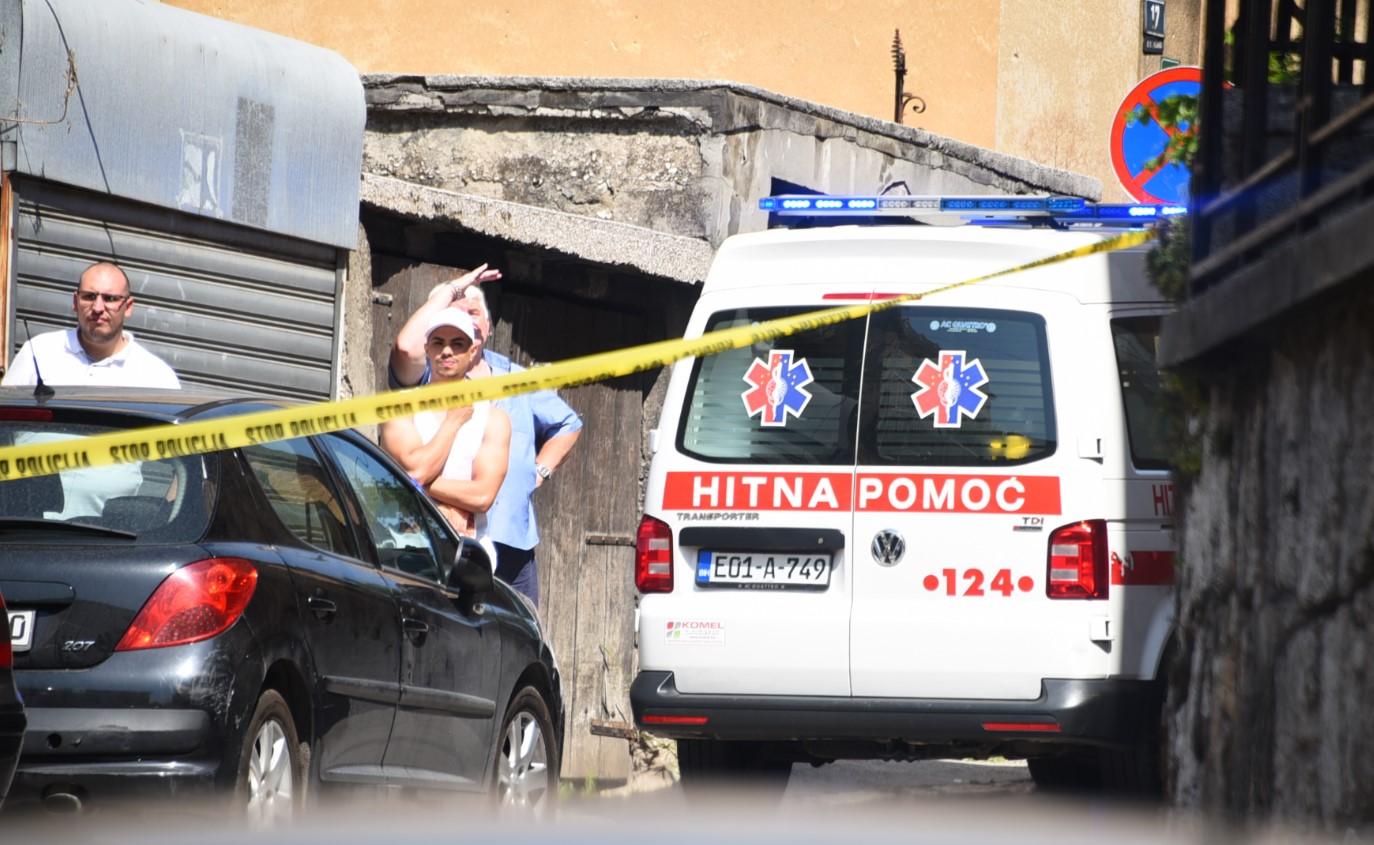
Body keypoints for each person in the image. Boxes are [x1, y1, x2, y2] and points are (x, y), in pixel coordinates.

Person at [390, 264, 582, 606]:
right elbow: (405, 348)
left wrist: (539, 473)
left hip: (508, 538)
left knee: (518, 639)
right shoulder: (424, 381)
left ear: (487, 327)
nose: (449, 349)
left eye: (473, 312)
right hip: (433, 540)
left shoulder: (514, 383)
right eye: (455, 315)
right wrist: (453, 290)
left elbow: (569, 424)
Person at [381, 306, 511, 558]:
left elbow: (483, 496)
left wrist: (410, 481)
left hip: (465, 558)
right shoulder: (400, 407)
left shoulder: (493, 419)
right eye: (438, 343)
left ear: (473, 350)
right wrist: (453, 421)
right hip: (402, 550)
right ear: (427, 348)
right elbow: (416, 471)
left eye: (458, 343)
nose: (447, 351)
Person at [2, 261, 180, 389]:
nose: (98, 308)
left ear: (128, 307)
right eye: (89, 296)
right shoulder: (38, 354)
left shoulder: (157, 378)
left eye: (110, 299)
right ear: (75, 301)